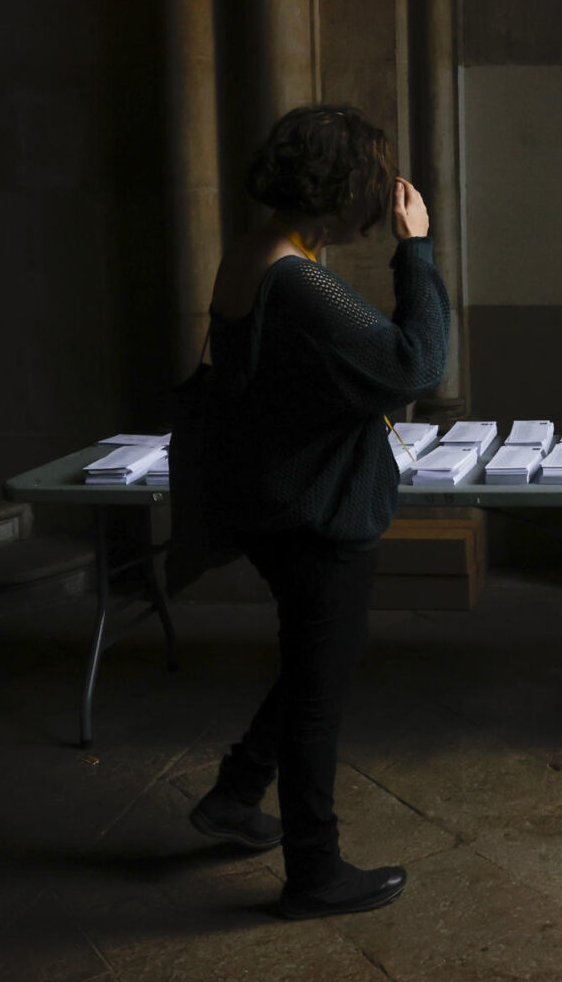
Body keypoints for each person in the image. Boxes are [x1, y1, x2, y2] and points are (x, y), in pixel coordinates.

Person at [187, 104, 449, 920]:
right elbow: (417, 362)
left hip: (273, 500)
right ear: (344, 189)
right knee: (317, 694)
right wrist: (417, 251)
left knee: (314, 664)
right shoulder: (298, 279)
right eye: (371, 177)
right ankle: (314, 871)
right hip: (312, 514)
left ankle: (234, 796)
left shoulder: (256, 251)